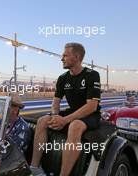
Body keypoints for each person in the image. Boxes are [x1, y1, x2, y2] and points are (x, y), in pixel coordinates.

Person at [30, 43, 101, 176]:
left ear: (76, 57)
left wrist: (65, 120)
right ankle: (34, 168)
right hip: (73, 111)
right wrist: (55, 116)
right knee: (42, 121)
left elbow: (92, 106)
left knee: (75, 126)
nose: (61, 58)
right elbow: (56, 102)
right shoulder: (63, 78)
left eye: (65, 55)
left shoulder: (92, 75)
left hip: (90, 114)